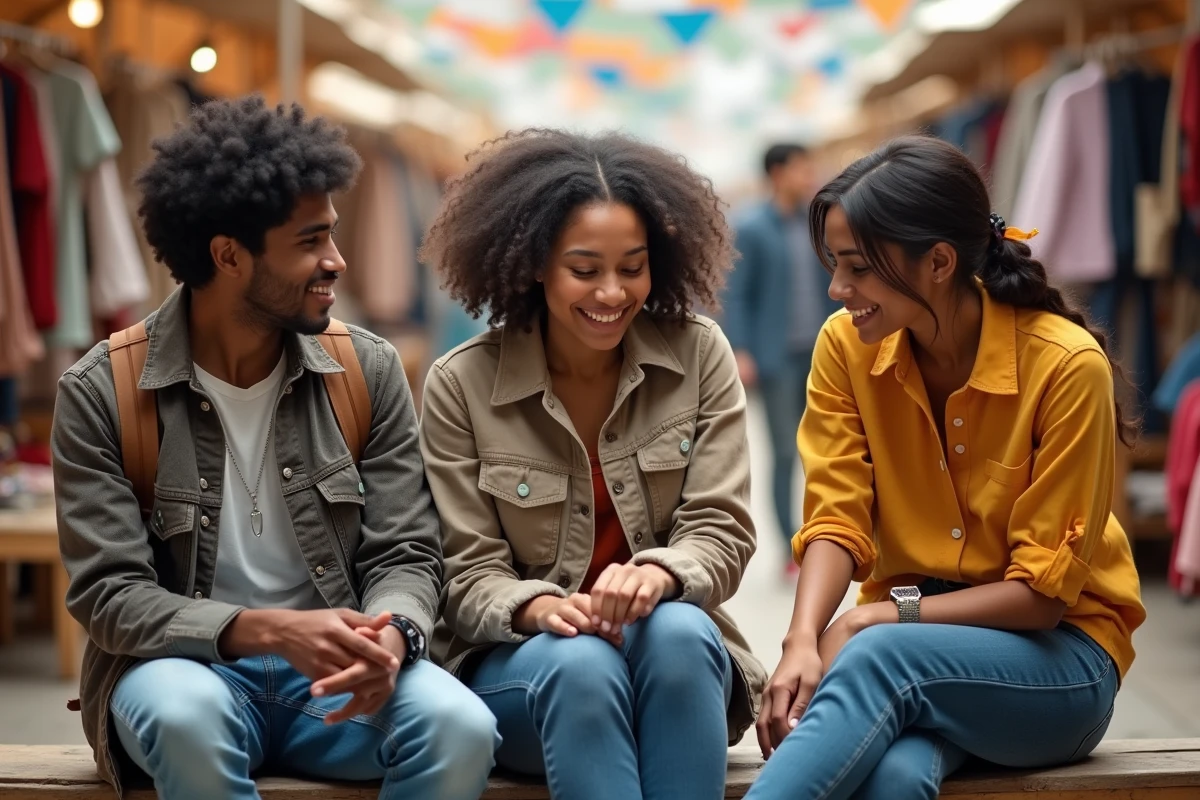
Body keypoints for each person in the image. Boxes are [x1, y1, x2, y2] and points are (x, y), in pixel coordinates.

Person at [50, 96, 498, 800]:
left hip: (338, 673)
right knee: (189, 720)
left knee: (460, 728)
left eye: (334, 235)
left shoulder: (365, 369)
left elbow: (407, 551)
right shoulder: (102, 389)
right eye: (310, 241)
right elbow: (109, 597)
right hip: (181, 669)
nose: (337, 261)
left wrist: (393, 636)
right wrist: (265, 630)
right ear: (228, 256)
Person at [746, 135, 1146, 800]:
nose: (836, 288)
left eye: (856, 268)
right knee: (898, 778)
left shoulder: (1065, 366)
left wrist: (873, 617)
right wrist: (801, 640)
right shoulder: (844, 347)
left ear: (937, 261)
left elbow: (1043, 600)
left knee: (876, 656)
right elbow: (836, 516)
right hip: (917, 663)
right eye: (834, 265)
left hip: (1060, 667)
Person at [416, 129, 767, 800]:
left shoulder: (699, 355)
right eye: (585, 269)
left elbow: (722, 531)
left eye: (631, 267)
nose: (612, 292)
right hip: (528, 673)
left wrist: (661, 574)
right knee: (580, 662)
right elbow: (466, 575)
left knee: (678, 627)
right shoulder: (461, 384)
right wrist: (540, 607)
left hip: (674, 667)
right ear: (533, 265)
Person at [723, 143, 838, 574]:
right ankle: (792, 546)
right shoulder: (751, 227)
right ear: (777, 173)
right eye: (800, 167)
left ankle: (832, 537)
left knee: (831, 449)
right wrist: (741, 349)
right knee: (786, 454)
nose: (809, 174)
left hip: (826, 352)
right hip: (777, 359)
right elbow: (736, 295)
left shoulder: (822, 221)